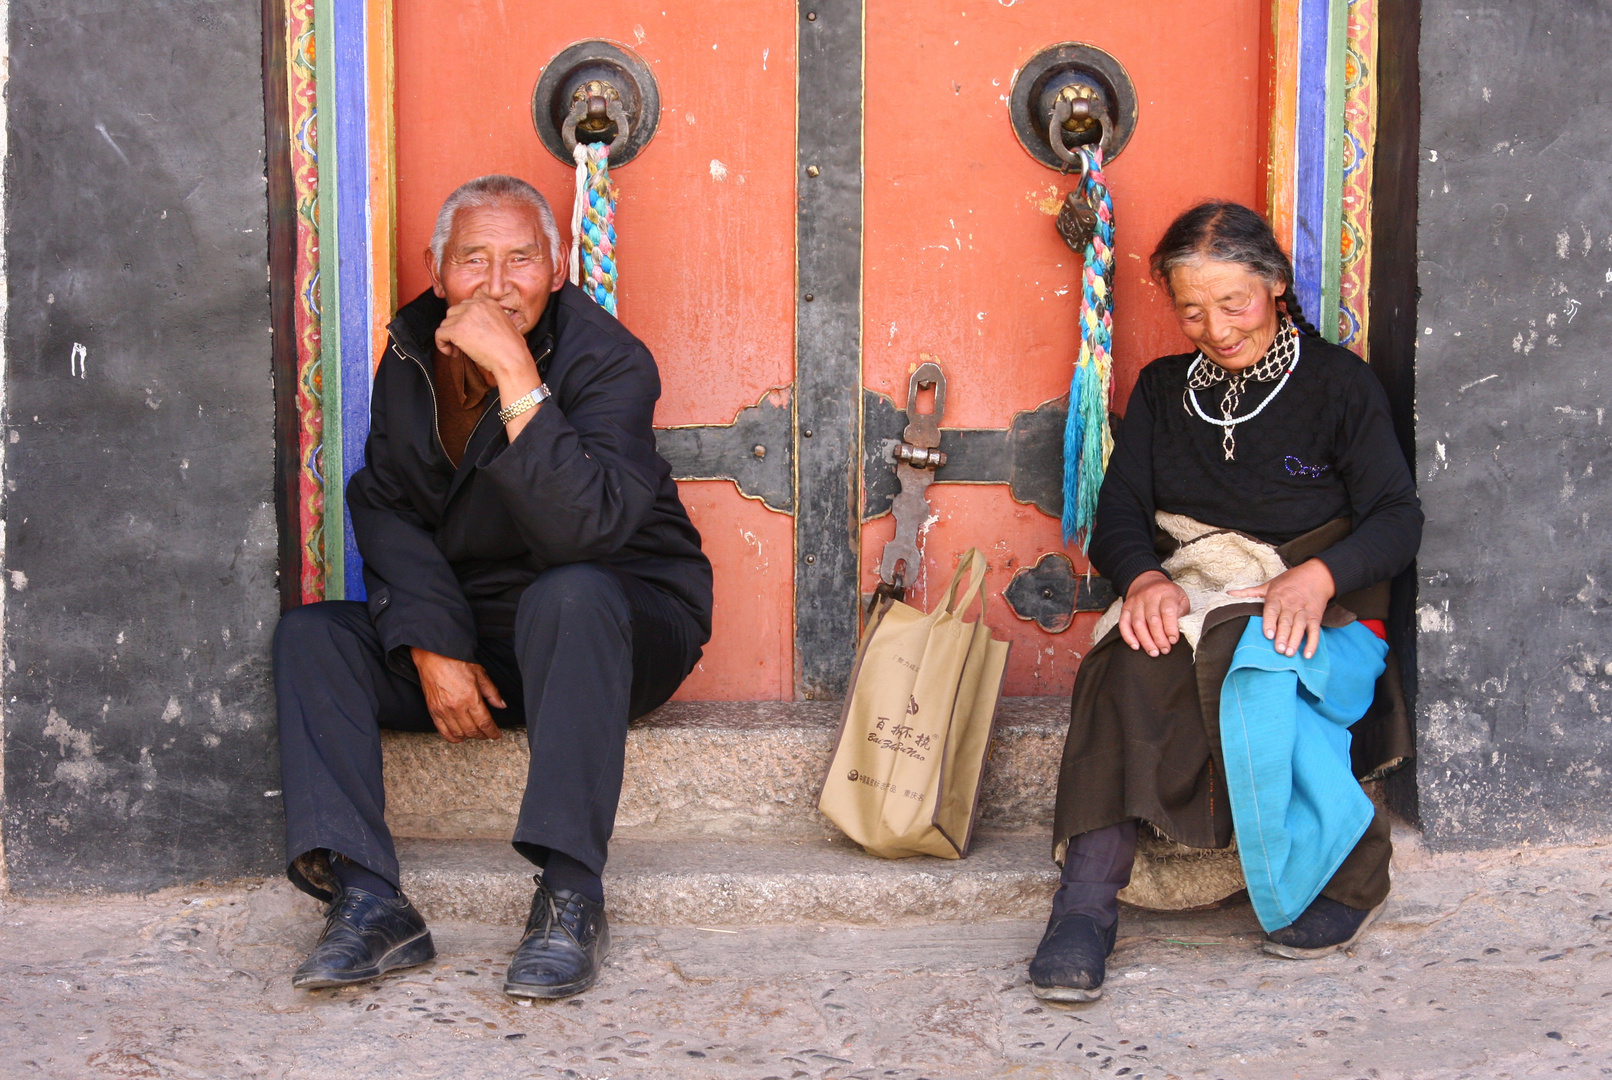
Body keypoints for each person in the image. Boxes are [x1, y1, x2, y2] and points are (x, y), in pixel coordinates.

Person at [273, 174, 712, 1000]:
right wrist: (430, 641)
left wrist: (517, 376)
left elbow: (585, 531)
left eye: (521, 259)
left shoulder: (609, 360)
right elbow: (388, 500)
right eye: (474, 260)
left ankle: (571, 895)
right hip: (480, 626)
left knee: (569, 592)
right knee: (314, 637)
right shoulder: (412, 349)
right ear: (439, 275)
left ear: (556, 269)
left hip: (616, 616)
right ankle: (369, 902)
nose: (499, 283)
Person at [1029, 201, 1421, 1001]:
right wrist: (1144, 579)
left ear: (1276, 285)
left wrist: (1315, 577)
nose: (1216, 328)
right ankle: (1085, 907)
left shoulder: (1340, 387)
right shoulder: (1164, 390)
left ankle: (1348, 875)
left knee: (1250, 655)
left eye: (1235, 303)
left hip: (1322, 606)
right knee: (1127, 658)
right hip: (1198, 589)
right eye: (1192, 311)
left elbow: (1397, 516)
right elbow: (1121, 516)